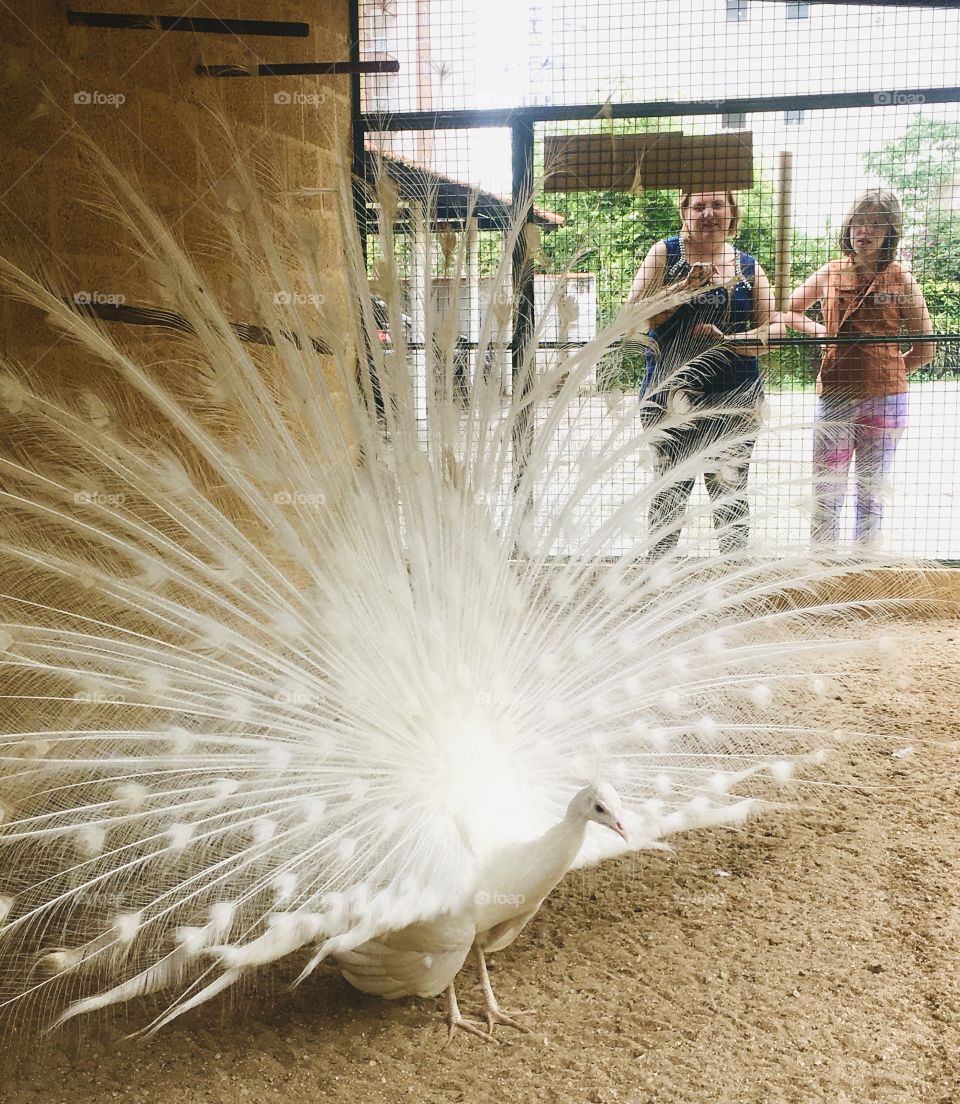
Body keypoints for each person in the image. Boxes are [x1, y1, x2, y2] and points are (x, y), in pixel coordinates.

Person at [780, 188, 934, 547]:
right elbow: (789, 311)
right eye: (859, 223)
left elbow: (925, 348)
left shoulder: (902, 279)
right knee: (825, 492)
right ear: (848, 227)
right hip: (834, 397)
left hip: (886, 405)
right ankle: (823, 570)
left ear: (890, 232)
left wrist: (887, 373)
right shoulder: (830, 272)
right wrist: (825, 334)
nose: (864, 231)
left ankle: (863, 571)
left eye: (876, 224)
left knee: (871, 492)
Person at [628, 190, 775, 559]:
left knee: (730, 495)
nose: (708, 213)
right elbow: (633, 315)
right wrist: (682, 289)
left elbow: (769, 333)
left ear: (732, 213)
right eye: (698, 206)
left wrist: (726, 341)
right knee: (669, 494)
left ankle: (733, 583)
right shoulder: (665, 255)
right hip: (670, 398)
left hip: (734, 399)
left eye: (717, 205)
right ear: (684, 212)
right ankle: (656, 581)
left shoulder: (749, 266)